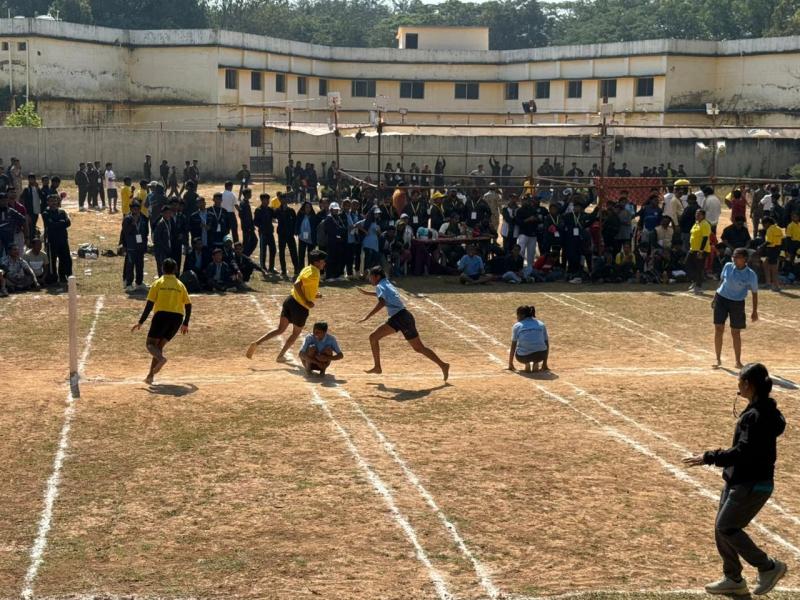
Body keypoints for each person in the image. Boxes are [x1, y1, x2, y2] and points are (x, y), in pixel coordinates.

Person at [683, 363, 787, 597]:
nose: (737, 384)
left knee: (727, 527)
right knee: (721, 528)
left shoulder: (756, 416)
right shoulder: (765, 410)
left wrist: (709, 457)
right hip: (738, 480)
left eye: (739, 380)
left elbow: (743, 451)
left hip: (751, 483)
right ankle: (733, 578)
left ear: (748, 384)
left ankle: (768, 567)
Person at [357, 266, 449, 381]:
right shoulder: (386, 283)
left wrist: (367, 316)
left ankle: (443, 365)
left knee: (419, 348)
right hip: (400, 317)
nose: (369, 279)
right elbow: (386, 294)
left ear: (377, 277)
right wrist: (368, 293)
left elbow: (382, 302)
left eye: (371, 277)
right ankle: (377, 367)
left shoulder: (380, 286)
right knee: (373, 337)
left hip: (401, 318)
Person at [246, 249, 327, 362]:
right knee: (295, 334)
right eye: (323, 261)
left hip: (290, 301)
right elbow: (297, 284)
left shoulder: (307, 268)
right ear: (316, 262)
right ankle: (280, 356)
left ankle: (256, 343)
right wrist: (306, 301)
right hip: (300, 307)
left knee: (280, 330)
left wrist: (314, 295)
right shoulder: (314, 273)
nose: (324, 263)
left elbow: (305, 286)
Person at [131, 258, 191, 385]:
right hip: (177, 319)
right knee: (159, 347)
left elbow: (149, 305)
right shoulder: (180, 285)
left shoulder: (158, 283)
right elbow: (188, 305)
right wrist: (186, 323)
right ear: (175, 270)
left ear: (162, 268)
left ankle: (161, 359)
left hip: (162, 316)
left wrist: (141, 322)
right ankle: (150, 376)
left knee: (150, 344)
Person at [713, 248, 758, 369]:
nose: (734, 259)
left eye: (737, 257)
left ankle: (738, 361)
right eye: (733, 256)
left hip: (737, 303)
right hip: (721, 299)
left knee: (736, 332)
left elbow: (754, 293)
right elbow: (722, 281)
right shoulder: (728, 266)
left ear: (745, 259)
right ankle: (718, 359)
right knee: (718, 328)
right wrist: (715, 297)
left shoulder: (751, 275)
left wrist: (754, 311)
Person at [507, 305, 549, 373]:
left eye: (517, 315)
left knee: (520, 347)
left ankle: (527, 363)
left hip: (524, 357)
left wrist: (510, 363)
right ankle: (536, 362)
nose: (517, 317)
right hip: (541, 356)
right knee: (539, 347)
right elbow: (546, 343)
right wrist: (545, 363)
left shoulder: (517, 325)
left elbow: (513, 345)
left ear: (522, 315)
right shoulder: (541, 324)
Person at [121, 201, 149, 291]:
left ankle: (139, 282)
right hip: (131, 246)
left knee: (140, 265)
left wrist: (145, 245)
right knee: (130, 265)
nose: (136, 210)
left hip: (140, 246)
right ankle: (129, 284)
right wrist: (133, 224)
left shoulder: (143, 218)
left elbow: (146, 232)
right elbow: (125, 232)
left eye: (137, 208)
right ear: (131, 209)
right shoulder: (127, 219)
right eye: (134, 208)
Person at [688, 208, 711, 293]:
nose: (696, 215)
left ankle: (698, 286)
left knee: (699, 267)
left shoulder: (705, 224)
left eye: (699, 214)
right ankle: (694, 281)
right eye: (696, 214)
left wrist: (701, 251)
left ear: (703, 216)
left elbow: (705, 238)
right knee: (688, 264)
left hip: (701, 250)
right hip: (693, 249)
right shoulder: (696, 223)